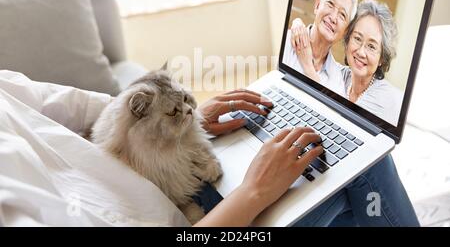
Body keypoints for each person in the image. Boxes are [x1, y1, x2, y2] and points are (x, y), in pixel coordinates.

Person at [0, 70, 418, 226]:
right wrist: (252, 193)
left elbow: (65, 105)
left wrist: (180, 123)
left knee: (343, 188)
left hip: (177, 194)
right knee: (364, 163)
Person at [282, 0, 358, 95]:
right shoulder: (286, 42)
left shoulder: (337, 82)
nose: (333, 18)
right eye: (330, 4)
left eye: (342, 15)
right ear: (317, 5)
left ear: (346, 31)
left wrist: (308, 67)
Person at [341, 0, 403, 125]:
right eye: (357, 38)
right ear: (348, 40)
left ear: (382, 58)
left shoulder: (390, 100)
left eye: (371, 46)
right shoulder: (337, 75)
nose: (361, 52)